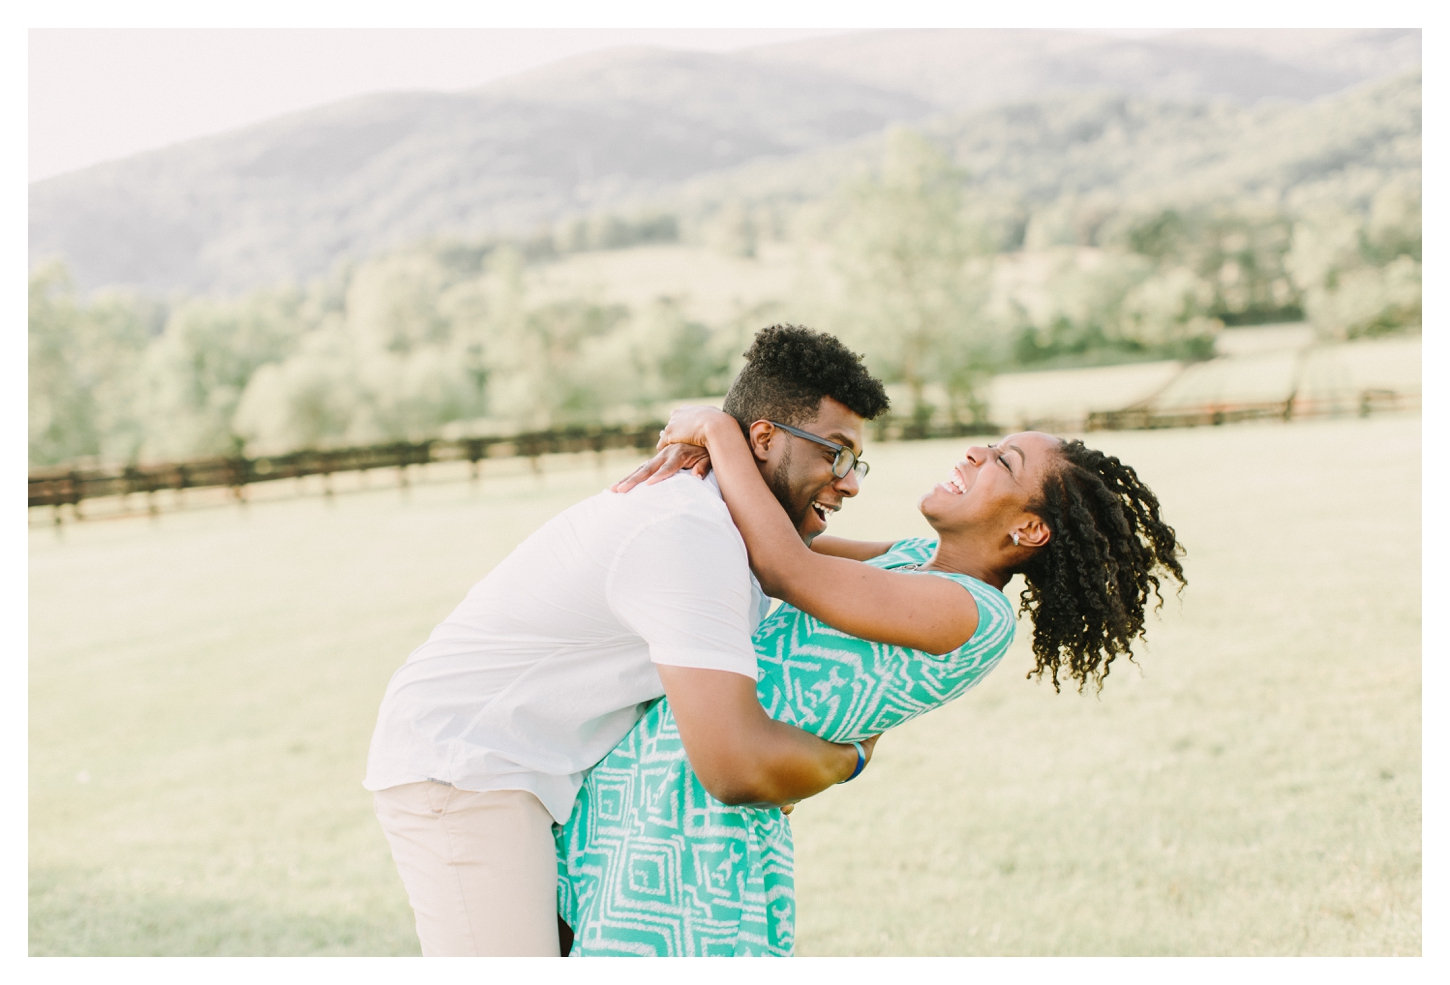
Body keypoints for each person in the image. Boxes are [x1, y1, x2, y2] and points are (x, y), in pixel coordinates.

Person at [554, 407, 1186, 956]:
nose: (974, 452)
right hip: (644, 780)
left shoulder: (974, 614)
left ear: (1028, 530)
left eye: (1002, 461)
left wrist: (720, 430)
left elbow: (786, 568)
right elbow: (762, 539)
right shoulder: (912, 559)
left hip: (697, 830)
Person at [363, 325, 892, 956]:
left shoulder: (735, 527)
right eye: (835, 453)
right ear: (765, 438)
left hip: (546, 767)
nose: (851, 481)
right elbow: (735, 765)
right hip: (466, 766)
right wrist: (850, 756)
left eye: (855, 461)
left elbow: (871, 569)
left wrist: (979, 553)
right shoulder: (686, 531)